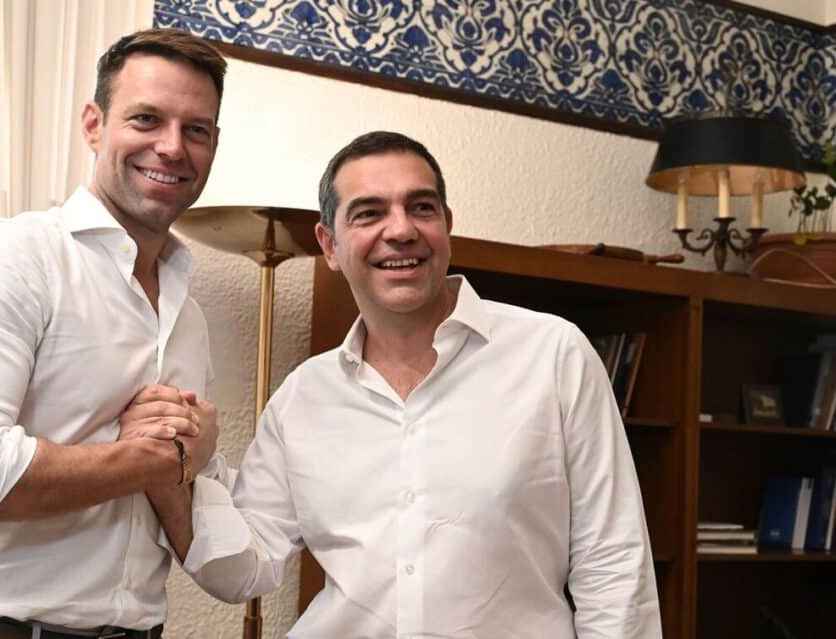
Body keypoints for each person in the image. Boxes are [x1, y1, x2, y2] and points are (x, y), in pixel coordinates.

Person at [130, 131, 662, 637]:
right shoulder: (303, 396)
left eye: (421, 208)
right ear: (329, 245)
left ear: (446, 226)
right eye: (369, 213)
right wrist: (170, 470)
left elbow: (613, 561)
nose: (401, 230)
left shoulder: (553, 354)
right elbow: (244, 567)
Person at [0, 28, 232, 639]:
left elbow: (188, 509)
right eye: (146, 119)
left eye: (196, 130)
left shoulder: (188, 315)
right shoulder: (13, 257)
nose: (171, 147)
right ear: (93, 124)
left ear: (214, 144)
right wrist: (152, 458)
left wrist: (193, 465)